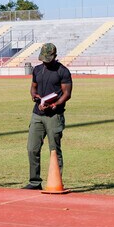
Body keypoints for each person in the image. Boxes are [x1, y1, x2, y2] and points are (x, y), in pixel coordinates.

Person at [23, 43, 72, 190]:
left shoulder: (63, 71)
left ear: (55, 56)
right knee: (32, 148)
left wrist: (55, 104)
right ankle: (34, 182)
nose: (45, 61)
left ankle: (56, 182)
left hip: (54, 115)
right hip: (37, 114)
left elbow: (67, 93)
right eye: (43, 58)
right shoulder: (37, 69)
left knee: (54, 149)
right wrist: (34, 95)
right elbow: (33, 87)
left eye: (48, 58)